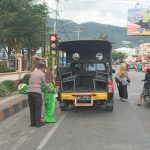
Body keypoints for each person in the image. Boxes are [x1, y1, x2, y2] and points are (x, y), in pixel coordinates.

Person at [28, 63, 53, 127]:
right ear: (43, 68)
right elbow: (46, 84)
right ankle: (38, 123)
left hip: (29, 92)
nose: (45, 70)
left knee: (32, 108)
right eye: (45, 69)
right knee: (38, 108)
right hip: (36, 92)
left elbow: (29, 81)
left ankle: (32, 123)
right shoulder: (42, 74)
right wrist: (51, 90)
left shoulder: (33, 73)